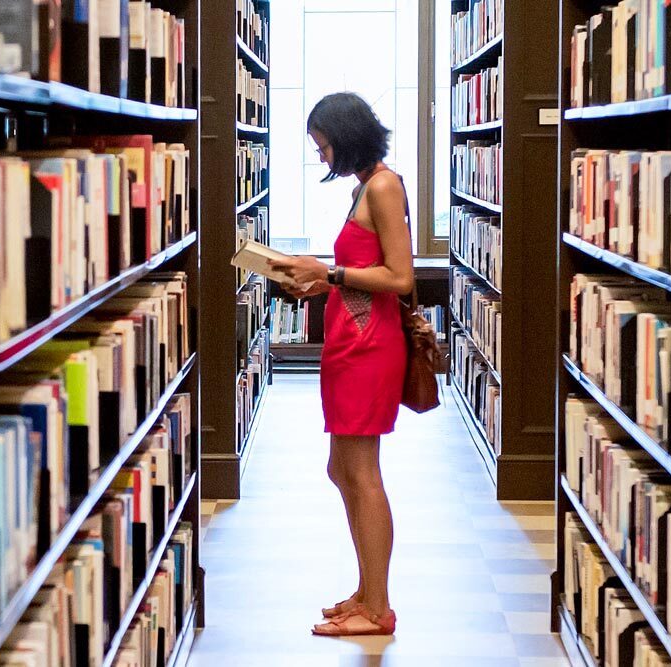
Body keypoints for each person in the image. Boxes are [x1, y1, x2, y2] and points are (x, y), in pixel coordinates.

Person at [269, 92, 413, 637]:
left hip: (369, 344)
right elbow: (360, 270)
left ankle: (378, 608)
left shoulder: (383, 185)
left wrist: (327, 274)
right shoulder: (364, 186)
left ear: (347, 136)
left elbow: (399, 277)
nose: (323, 158)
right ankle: (367, 589)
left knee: (362, 472)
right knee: (341, 469)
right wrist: (310, 279)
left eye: (324, 146)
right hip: (349, 340)